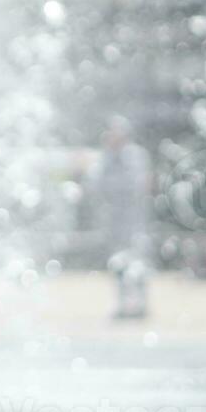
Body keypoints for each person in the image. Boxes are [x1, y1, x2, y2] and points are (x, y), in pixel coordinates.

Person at [88, 115, 152, 320]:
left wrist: (111, 186)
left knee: (138, 264)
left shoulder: (136, 156)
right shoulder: (105, 158)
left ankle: (141, 304)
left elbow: (136, 185)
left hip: (134, 222)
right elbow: (94, 184)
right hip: (113, 222)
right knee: (117, 265)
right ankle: (123, 304)